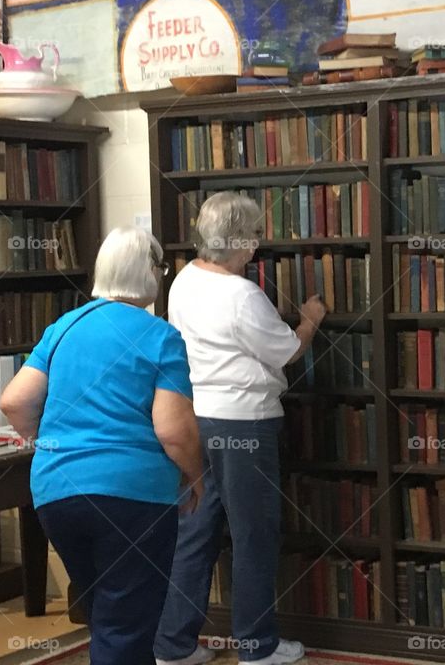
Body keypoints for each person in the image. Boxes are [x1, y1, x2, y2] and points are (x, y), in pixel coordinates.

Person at [0, 227, 205, 665]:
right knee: (127, 623)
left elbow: (14, 400)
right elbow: (173, 430)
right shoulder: (159, 336)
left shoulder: (64, 327)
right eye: (160, 267)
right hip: (133, 497)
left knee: (107, 615)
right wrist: (197, 476)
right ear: (148, 272)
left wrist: (52, 442)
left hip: (57, 493)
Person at [155, 192, 326, 665]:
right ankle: (256, 647)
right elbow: (287, 351)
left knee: (196, 531)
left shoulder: (184, 280)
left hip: (195, 417)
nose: (256, 245)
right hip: (244, 424)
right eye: (253, 235)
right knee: (254, 534)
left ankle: (173, 646)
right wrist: (309, 321)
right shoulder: (241, 294)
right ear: (239, 242)